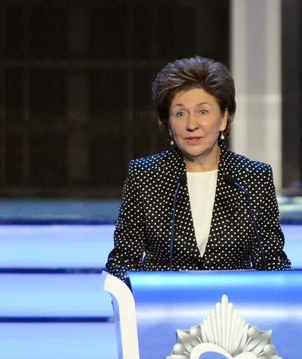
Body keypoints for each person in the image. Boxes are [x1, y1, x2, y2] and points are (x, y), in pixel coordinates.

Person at [106, 56, 291, 283]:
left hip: (233, 312)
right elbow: (123, 260)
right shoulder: (146, 175)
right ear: (167, 123)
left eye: (203, 111)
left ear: (224, 119)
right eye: (180, 113)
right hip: (163, 310)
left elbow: (271, 262)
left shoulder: (252, 177)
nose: (192, 124)